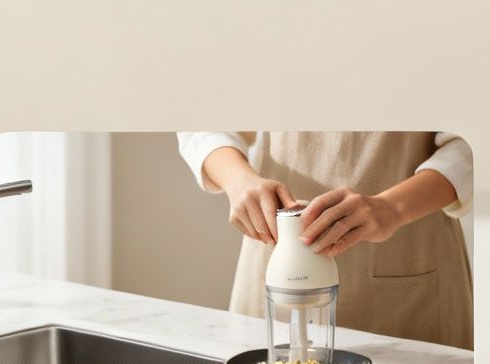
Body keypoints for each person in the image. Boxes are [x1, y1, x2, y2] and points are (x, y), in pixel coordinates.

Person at [176, 131, 473, 349]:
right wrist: (236, 180)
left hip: (409, 259)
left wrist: (393, 207)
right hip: (272, 255)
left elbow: (482, 135)